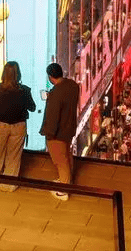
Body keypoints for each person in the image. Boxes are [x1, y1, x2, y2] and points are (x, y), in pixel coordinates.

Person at [0, 61, 36, 190]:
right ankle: (8, 185)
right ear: (18, 74)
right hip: (18, 126)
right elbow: (32, 108)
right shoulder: (24, 90)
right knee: (14, 156)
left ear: (3, 74)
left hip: (0, 125)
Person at [40, 63, 80, 201]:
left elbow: (53, 117)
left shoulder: (55, 94)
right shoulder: (73, 86)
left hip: (58, 132)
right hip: (69, 128)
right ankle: (66, 181)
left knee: (60, 160)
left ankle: (64, 190)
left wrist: (48, 133)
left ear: (50, 77)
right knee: (67, 155)